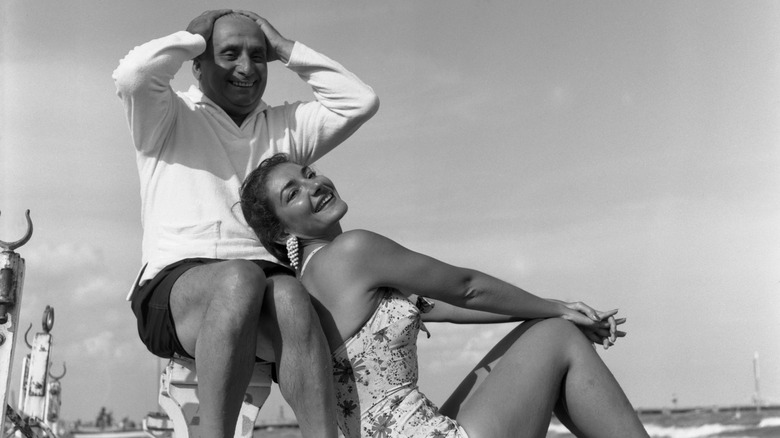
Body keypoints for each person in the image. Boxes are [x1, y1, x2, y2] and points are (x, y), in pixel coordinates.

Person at [239, 153, 650, 438]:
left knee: (550, 329)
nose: (314, 186)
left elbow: (443, 306)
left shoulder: (311, 286)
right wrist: (559, 309)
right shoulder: (352, 252)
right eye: (292, 193)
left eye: (309, 173)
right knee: (558, 335)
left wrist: (553, 310)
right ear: (280, 232)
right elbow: (466, 287)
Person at [113, 9, 378, 438]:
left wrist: (284, 47)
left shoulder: (284, 127)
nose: (246, 68)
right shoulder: (168, 115)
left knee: (291, 292)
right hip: (177, 288)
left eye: (257, 55)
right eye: (229, 54)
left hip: (267, 291)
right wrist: (191, 36)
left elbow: (360, 101)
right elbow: (133, 76)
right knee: (239, 279)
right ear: (197, 64)